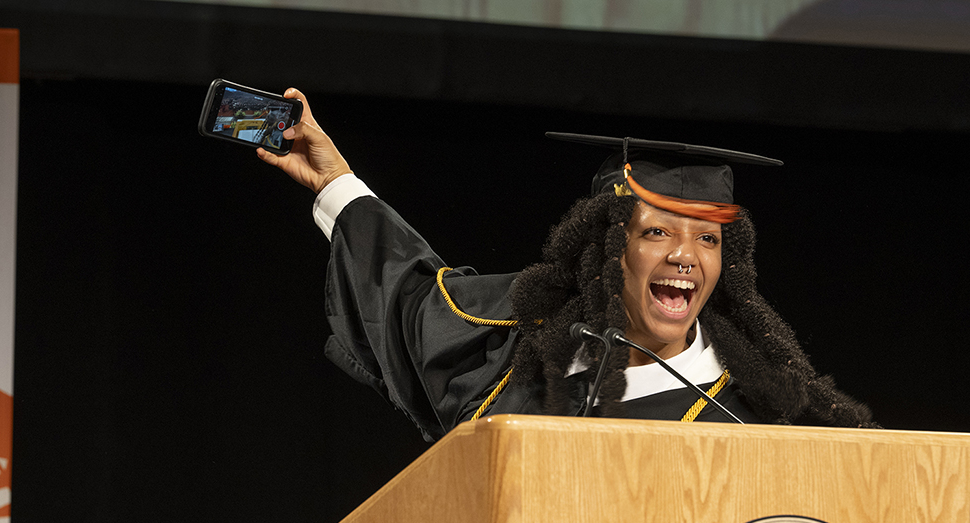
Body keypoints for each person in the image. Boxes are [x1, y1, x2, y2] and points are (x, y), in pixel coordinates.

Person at [257, 89, 876, 441]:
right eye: (658, 231)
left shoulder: (753, 415)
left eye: (708, 240)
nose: (685, 256)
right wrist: (335, 184)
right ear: (608, 252)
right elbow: (406, 299)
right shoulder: (512, 353)